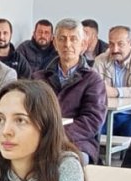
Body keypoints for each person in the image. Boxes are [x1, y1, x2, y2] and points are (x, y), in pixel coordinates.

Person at [31, 18, 107, 164]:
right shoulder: (38, 78)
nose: (67, 44)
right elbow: (30, 112)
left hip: (77, 142)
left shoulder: (93, 80)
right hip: (40, 141)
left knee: (65, 163)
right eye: (62, 39)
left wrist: (55, 136)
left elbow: (92, 120)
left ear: (83, 45)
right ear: (54, 43)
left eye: (73, 39)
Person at [93, 25, 131, 137]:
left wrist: (116, 92)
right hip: (106, 114)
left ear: (130, 43)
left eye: (120, 44)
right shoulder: (100, 60)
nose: (115, 49)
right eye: (111, 44)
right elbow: (94, 88)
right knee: (90, 134)